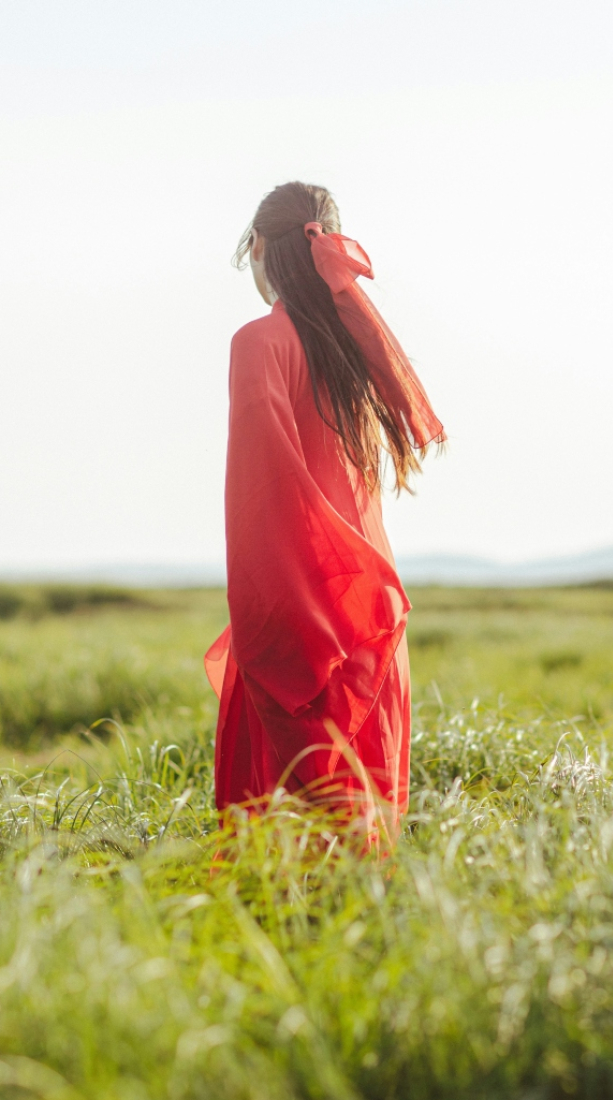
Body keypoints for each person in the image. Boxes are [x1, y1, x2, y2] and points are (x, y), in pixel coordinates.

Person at [205, 181, 444, 847]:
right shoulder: (348, 350)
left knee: (284, 846)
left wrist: (268, 623)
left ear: (258, 247)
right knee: (359, 842)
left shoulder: (258, 342)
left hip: (300, 617)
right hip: (367, 616)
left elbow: (262, 494)